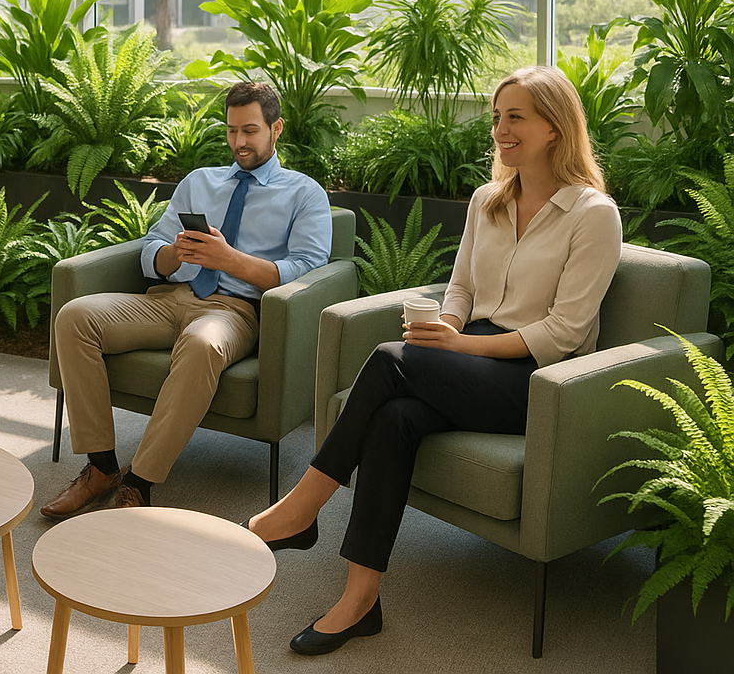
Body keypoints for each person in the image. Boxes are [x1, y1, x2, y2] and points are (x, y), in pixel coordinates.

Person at [246, 66, 623, 656]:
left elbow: (564, 332)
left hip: (539, 381)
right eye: (497, 116)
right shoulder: (487, 201)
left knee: (392, 361)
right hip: (472, 359)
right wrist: (445, 324)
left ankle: (301, 508)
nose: (500, 129)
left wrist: (461, 346)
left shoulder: (593, 215)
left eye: (515, 116)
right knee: (396, 418)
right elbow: (463, 289)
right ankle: (360, 600)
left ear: (556, 126)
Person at [41, 81, 333, 517]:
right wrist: (176, 253)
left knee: (202, 343)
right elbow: (150, 251)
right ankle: (101, 467)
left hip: (234, 311)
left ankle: (139, 481)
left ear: (277, 129)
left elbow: (306, 268)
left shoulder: (304, 193)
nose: (239, 142)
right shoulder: (200, 182)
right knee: (74, 316)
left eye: (250, 131)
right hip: (170, 297)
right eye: (232, 130)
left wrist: (230, 260)